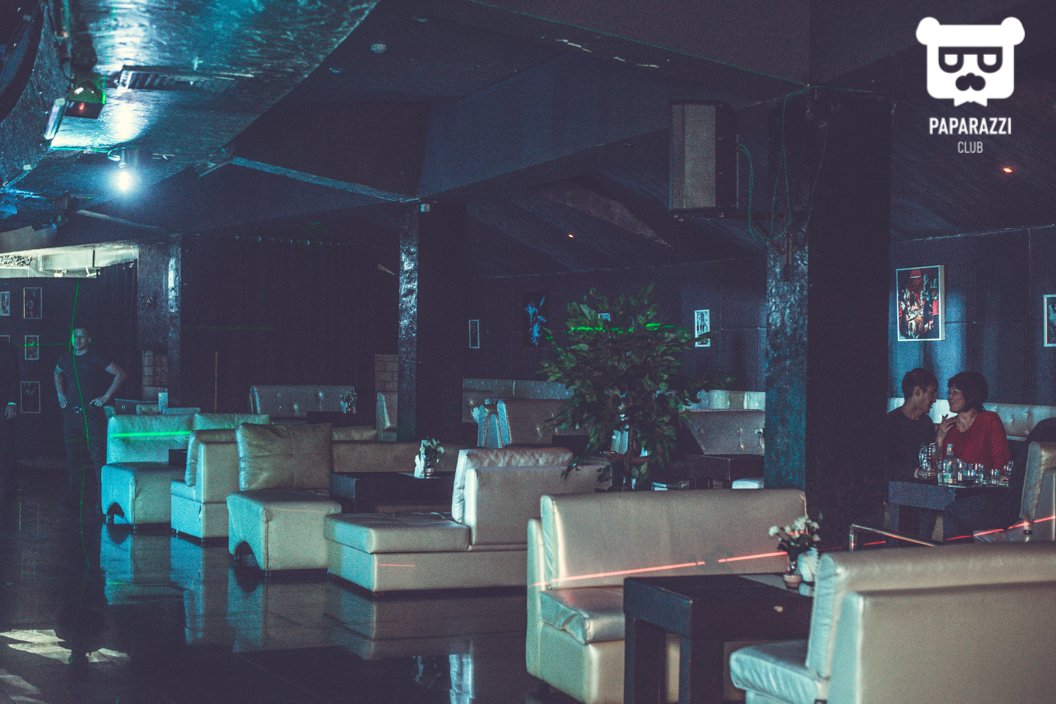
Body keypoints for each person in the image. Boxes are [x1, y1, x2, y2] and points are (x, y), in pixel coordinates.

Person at [944, 418, 1056, 541]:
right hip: (1044, 513)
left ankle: (958, 553)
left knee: (953, 512)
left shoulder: (1047, 427)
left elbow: (1018, 477)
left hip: (1017, 510)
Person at [54, 326, 126, 507]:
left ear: (89, 339)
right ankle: (74, 497)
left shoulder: (96, 356)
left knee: (97, 457)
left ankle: (103, 499)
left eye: (81, 336)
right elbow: (57, 372)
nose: (77, 339)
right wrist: (60, 394)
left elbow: (120, 373)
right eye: (74, 336)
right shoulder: (66, 357)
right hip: (71, 414)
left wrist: (105, 397)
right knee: (72, 457)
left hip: (91, 414)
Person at [935, 371, 1010, 471]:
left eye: (955, 393)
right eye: (949, 393)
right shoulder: (948, 427)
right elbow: (937, 468)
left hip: (985, 480)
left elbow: (1001, 460)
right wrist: (939, 438)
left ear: (969, 394)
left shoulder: (989, 420)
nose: (949, 397)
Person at [884, 368, 938, 481]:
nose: (934, 399)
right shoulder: (890, 422)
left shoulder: (926, 423)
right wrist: (915, 473)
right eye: (931, 393)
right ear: (917, 391)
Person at [0, 338, 18, 504]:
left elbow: (14, 376)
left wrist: (12, 402)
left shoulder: (6, 348)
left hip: (3, 404)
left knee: (4, 446)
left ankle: (6, 490)